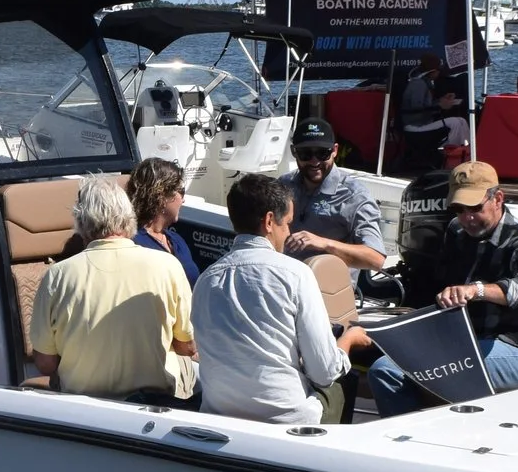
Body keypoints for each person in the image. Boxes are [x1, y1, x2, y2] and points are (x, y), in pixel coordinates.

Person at [370, 161, 518, 413]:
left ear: (498, 199)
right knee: (382, 369)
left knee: (420, 373)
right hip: (466, 342)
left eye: (475, 208)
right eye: (459, 209)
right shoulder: (455, 230)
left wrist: (476, 290)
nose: (467, 218)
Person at [193, 173, 371, 425]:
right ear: (268, 221)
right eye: (287, 224)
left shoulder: (206, 280)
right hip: (287, 421)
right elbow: (324, 371)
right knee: (340, 383)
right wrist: (348, 341)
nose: (288, 233)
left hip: (218, 415)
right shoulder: (296, 274)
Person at [25, 175, 197, 404]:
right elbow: (187, 346)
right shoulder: (168, 265)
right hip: (155, 403)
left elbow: (46, 364)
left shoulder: (57, 275)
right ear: (129, 217)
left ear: (80, 222)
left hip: (86, 406)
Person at [283, 115, 389, 270]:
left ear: (335, 151)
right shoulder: (283, 185)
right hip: (285, 280)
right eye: (306, 154)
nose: (314, 162)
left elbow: (375, 259)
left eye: (322, 153)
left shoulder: (354, 196)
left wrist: (324, 243)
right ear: (294, 152)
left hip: (328, 288)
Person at [126, 156, 199, 283]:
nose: (183, 200)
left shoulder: (177, 240)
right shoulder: (132, 243)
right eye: (180, 191)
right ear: (161, 196)